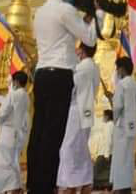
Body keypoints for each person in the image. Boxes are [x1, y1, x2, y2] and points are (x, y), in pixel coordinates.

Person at [28, 0, 102, 194]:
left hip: (41, 74)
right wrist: (98, 12)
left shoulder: (40, 12)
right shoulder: (65, 10)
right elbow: (89, 38)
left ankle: (35, 185)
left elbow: (65, 34)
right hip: (60, 74)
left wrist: (86, 16)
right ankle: (46, 186)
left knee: (39, 131)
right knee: (54, 134)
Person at [57, 42, 101, 194]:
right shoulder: (94, 67)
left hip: (77, 110)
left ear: (82, 50)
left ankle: (70, 184)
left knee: (68, 147)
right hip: (87, 110)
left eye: (77, 48)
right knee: (80, 147)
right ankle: (85, 181)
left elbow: (71, 88)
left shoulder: (83, 67)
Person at [110, 57, 136, 194]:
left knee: (120, 159)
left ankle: (121, 189)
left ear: (122, 69)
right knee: (128, 159)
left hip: (122, 127)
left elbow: (117, 107)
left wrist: (113, 117)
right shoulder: (135, 84)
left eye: (117, 69)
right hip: (133, 126)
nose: (117, 72)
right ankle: (126, 187)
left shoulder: (121, 85)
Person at [91, 110, 114, 190]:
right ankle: (106, 186)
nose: (102, 118)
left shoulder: (108, 125)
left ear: (107, 116)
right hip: (109, 152)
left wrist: (106, 154)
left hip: (104, 153)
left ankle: (100, 186)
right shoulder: (112, 125)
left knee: (96, 171)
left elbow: (108, 140)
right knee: (106, 171)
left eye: (103, 116)